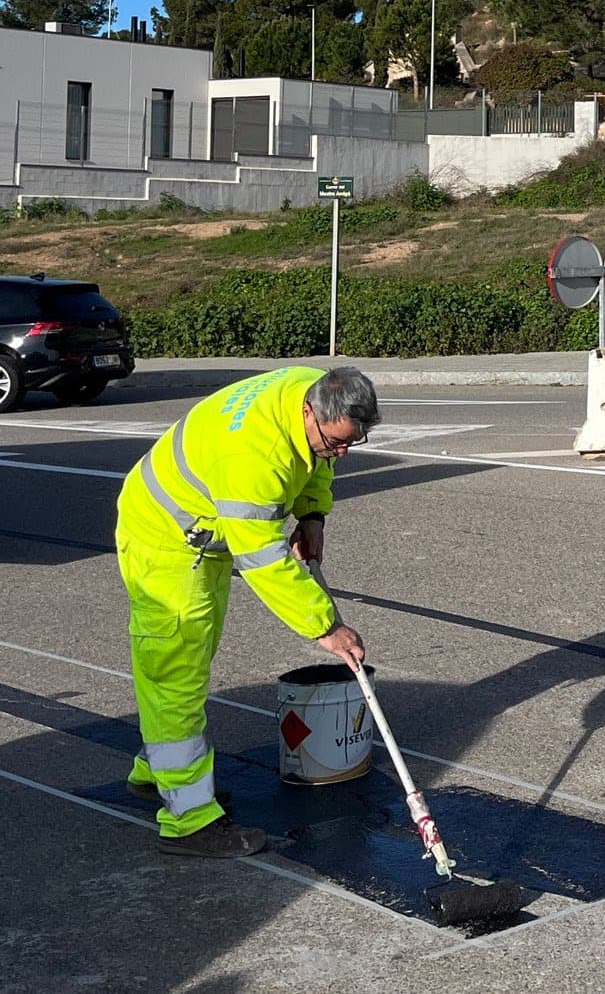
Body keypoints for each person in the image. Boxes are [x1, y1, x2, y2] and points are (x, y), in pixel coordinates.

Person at [115, 366, 375, 857]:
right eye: (336, 442)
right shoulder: (252, 456)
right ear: (309, 412)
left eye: (351, 444)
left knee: (189, 662)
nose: (340, 453)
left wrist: (313, 513)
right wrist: (326, 627)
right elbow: (263, 560)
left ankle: (157, 773)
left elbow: (312, 461)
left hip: (203, 531)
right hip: (166, 539)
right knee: (175, 670)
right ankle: (189, 820)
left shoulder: (314, 390)